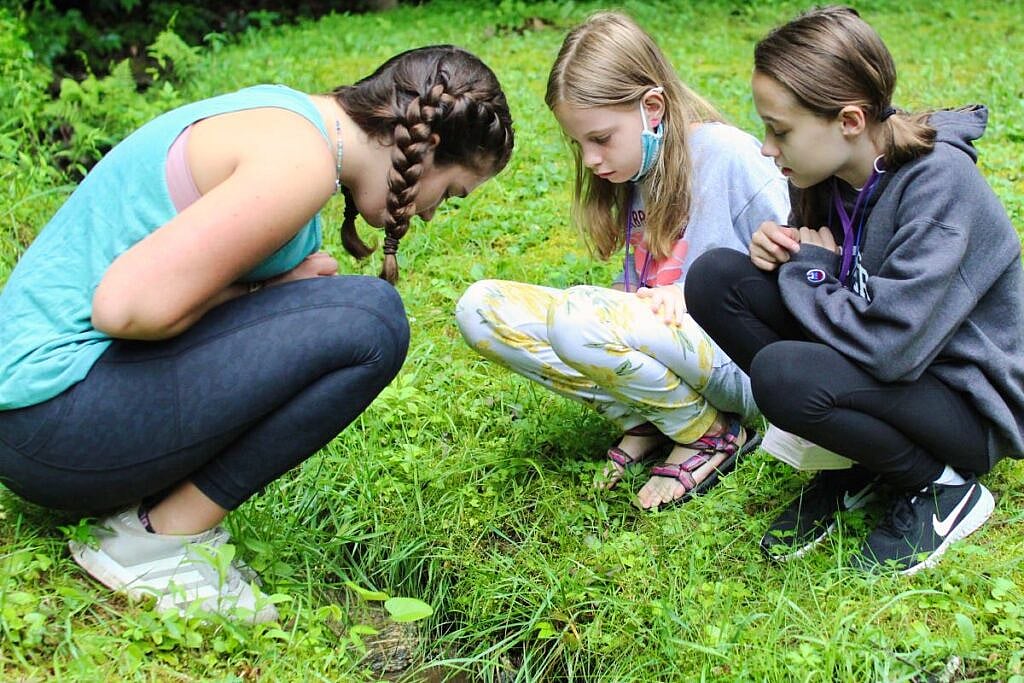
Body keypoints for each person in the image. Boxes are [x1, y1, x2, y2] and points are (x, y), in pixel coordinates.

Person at [0, 45, 514, 621]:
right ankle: (154, 544)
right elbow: (125, 309)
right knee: (373, 321)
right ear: (427, 145)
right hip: (51, 421)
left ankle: (153, 521)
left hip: (37, 420)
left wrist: (276, 288)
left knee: (352, 314)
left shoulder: (289, 120)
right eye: (449, 193)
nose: (431, 212)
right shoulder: (299, 162)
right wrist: (265, 290)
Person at [686, 6, 1024, 574]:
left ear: (848, 120)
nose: (767, 147)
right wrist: (786, 250)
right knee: (716, 280)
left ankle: (941, 487)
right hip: (894, 368)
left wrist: (810, 270)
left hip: (966, 400)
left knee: (784, 375)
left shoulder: (939, 183)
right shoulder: (830, 174)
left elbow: (892, 347)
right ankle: (857, 461)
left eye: (780, 130)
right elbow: (838, 279)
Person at [455, 11, 788, 509]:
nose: (590, 159)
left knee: (576, 316)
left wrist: (694, 296)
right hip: (670, 350)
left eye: (601, 138)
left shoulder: (730, 156)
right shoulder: (638, 173)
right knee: (481, 308)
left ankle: (709, 434)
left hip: (739, 364)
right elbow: (638, 288)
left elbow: (802, 275)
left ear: (652, 107)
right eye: (579, 143)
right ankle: (648, 419)